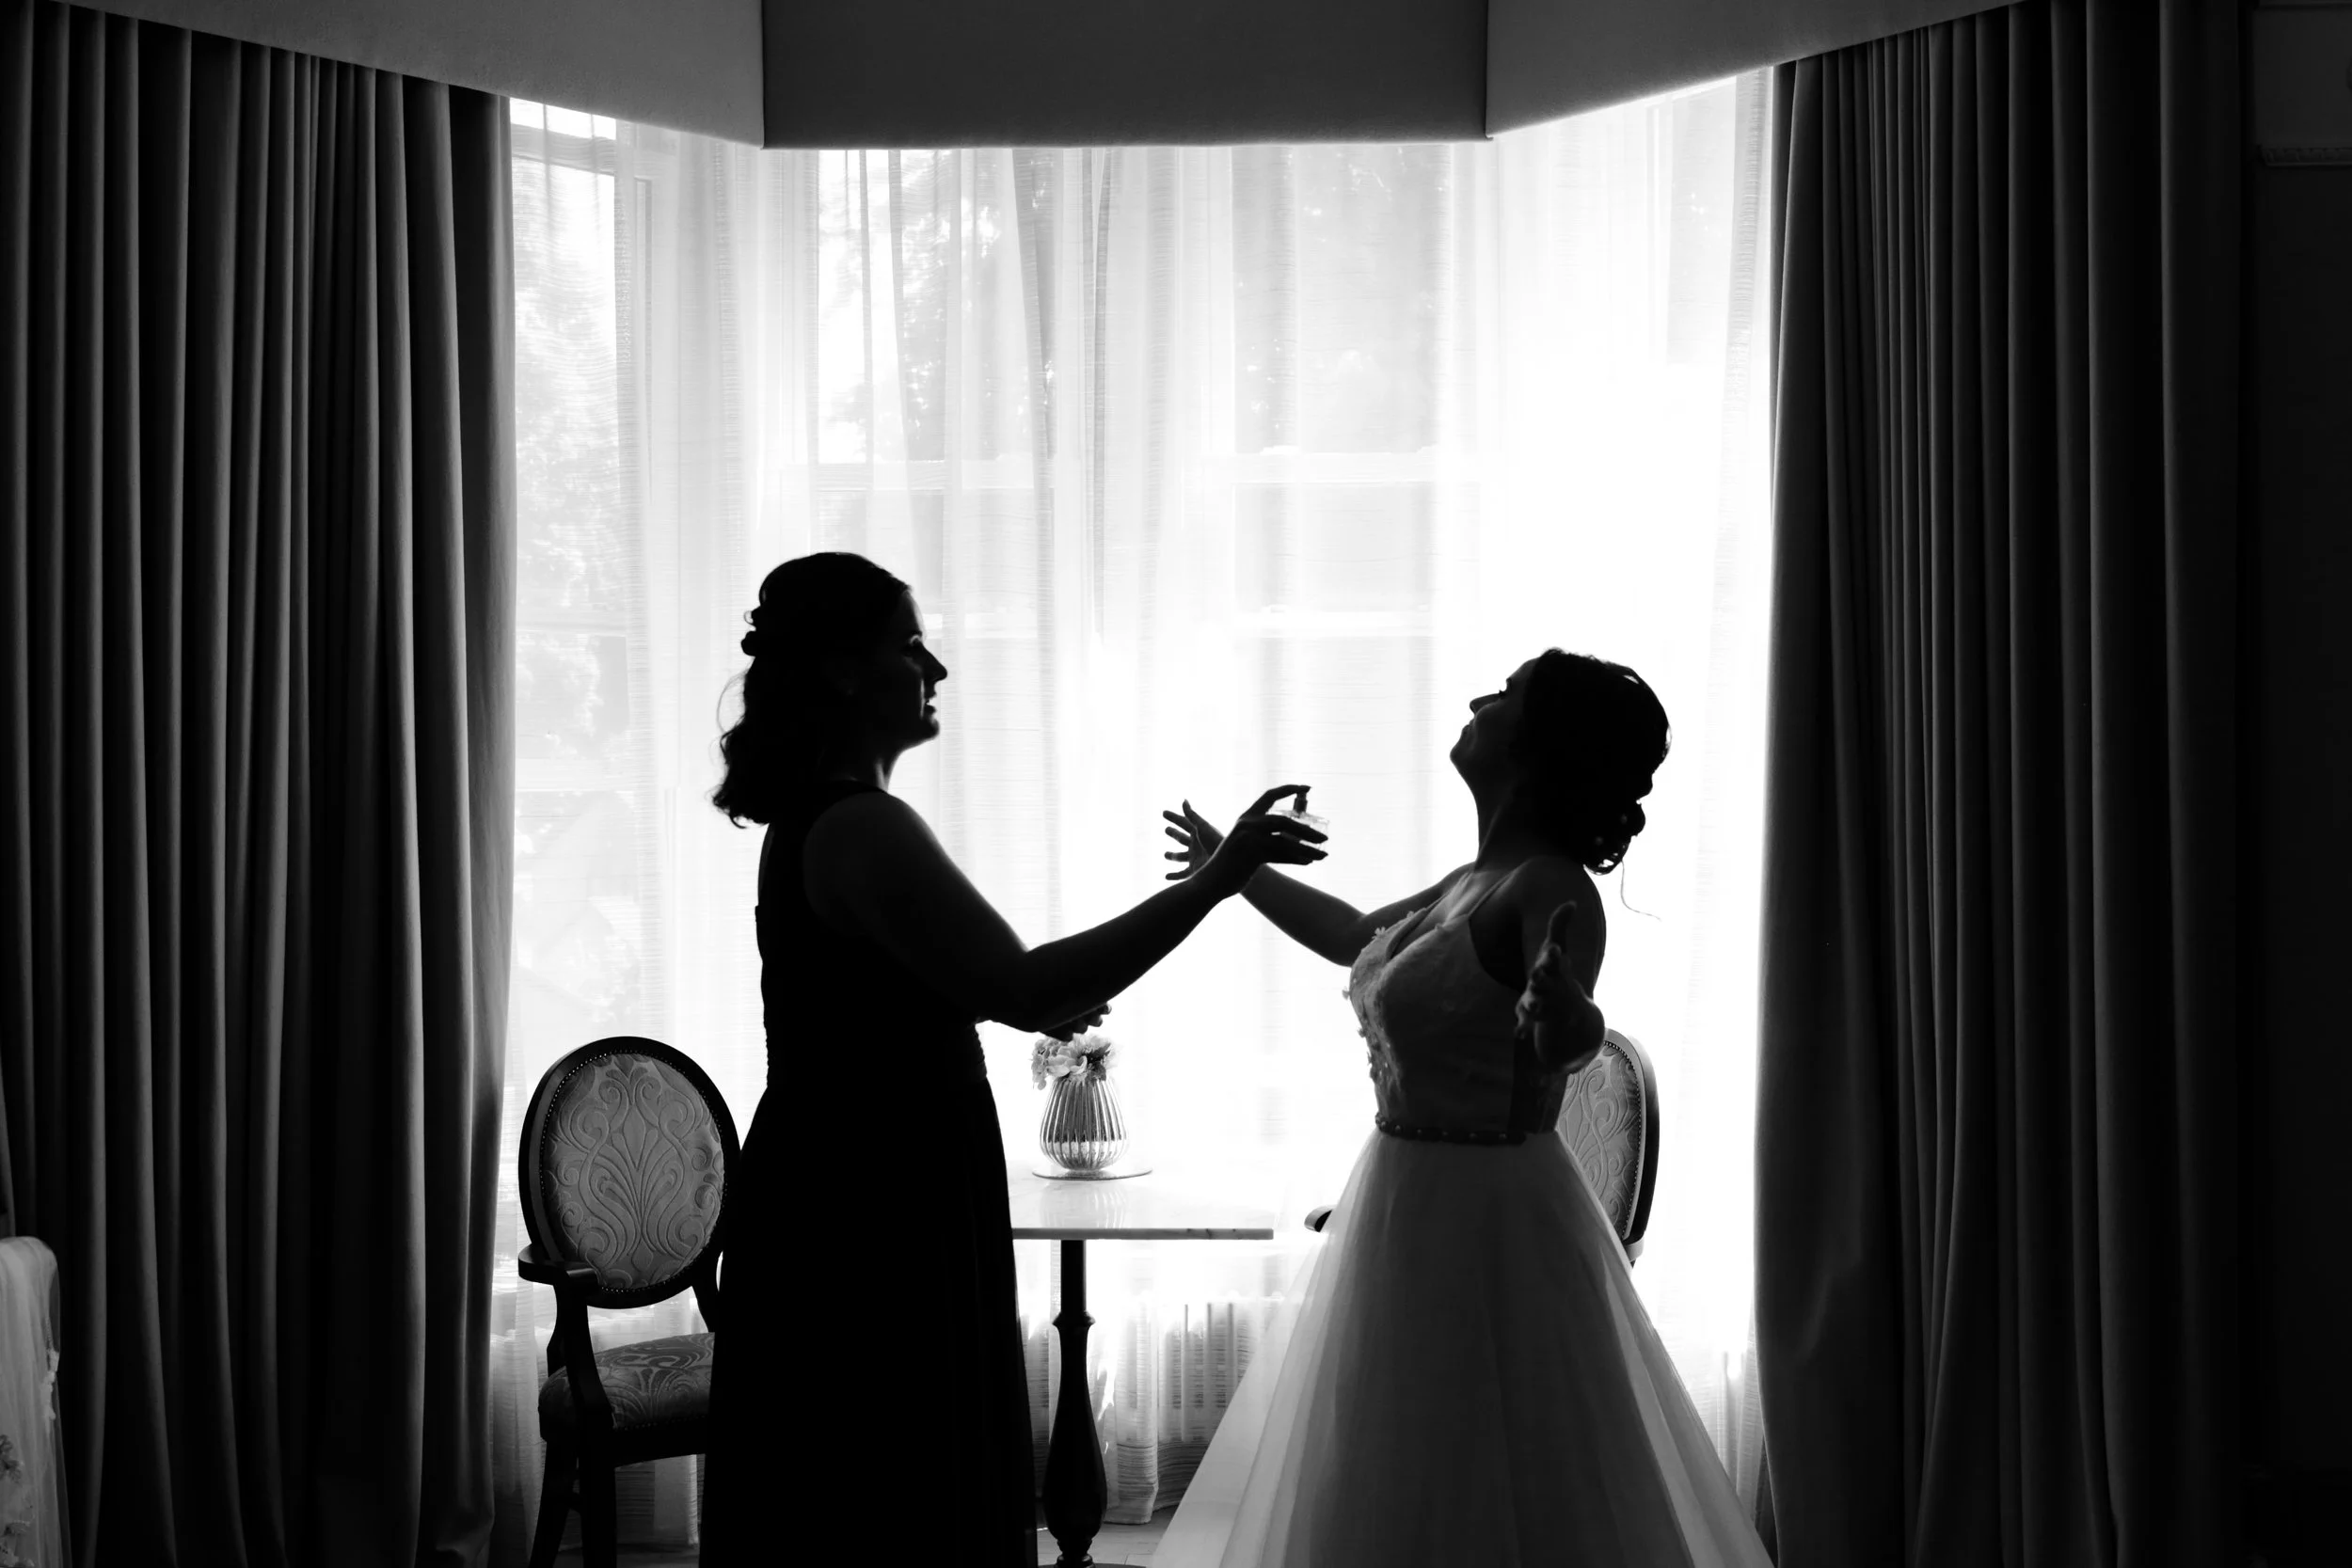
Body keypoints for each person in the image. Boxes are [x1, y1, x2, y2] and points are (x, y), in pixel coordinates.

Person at [695, 551, 1327, 1566]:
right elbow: (1032, 989)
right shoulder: (861, 824)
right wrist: (1219, 877)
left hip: (846, 1173)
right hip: (875, 1196)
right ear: (848, 671)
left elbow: (973, 989)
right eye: (908, 641)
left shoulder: (824, 818)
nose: (933, 662)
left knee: (846, 1485)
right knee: (892, 1478)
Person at [1152, 649, 1772, 1567]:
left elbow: (1564, 1033)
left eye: (1509, 693)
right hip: (1405, 1196)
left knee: (1492, 1453)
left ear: (1536, 746)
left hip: (1489, 1215)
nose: (1483, 697)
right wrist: (1229, 870)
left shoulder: (1551, 885)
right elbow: (1353, 934)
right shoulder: (1471, 878)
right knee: (1399, 1449)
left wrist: (1568, 1016)